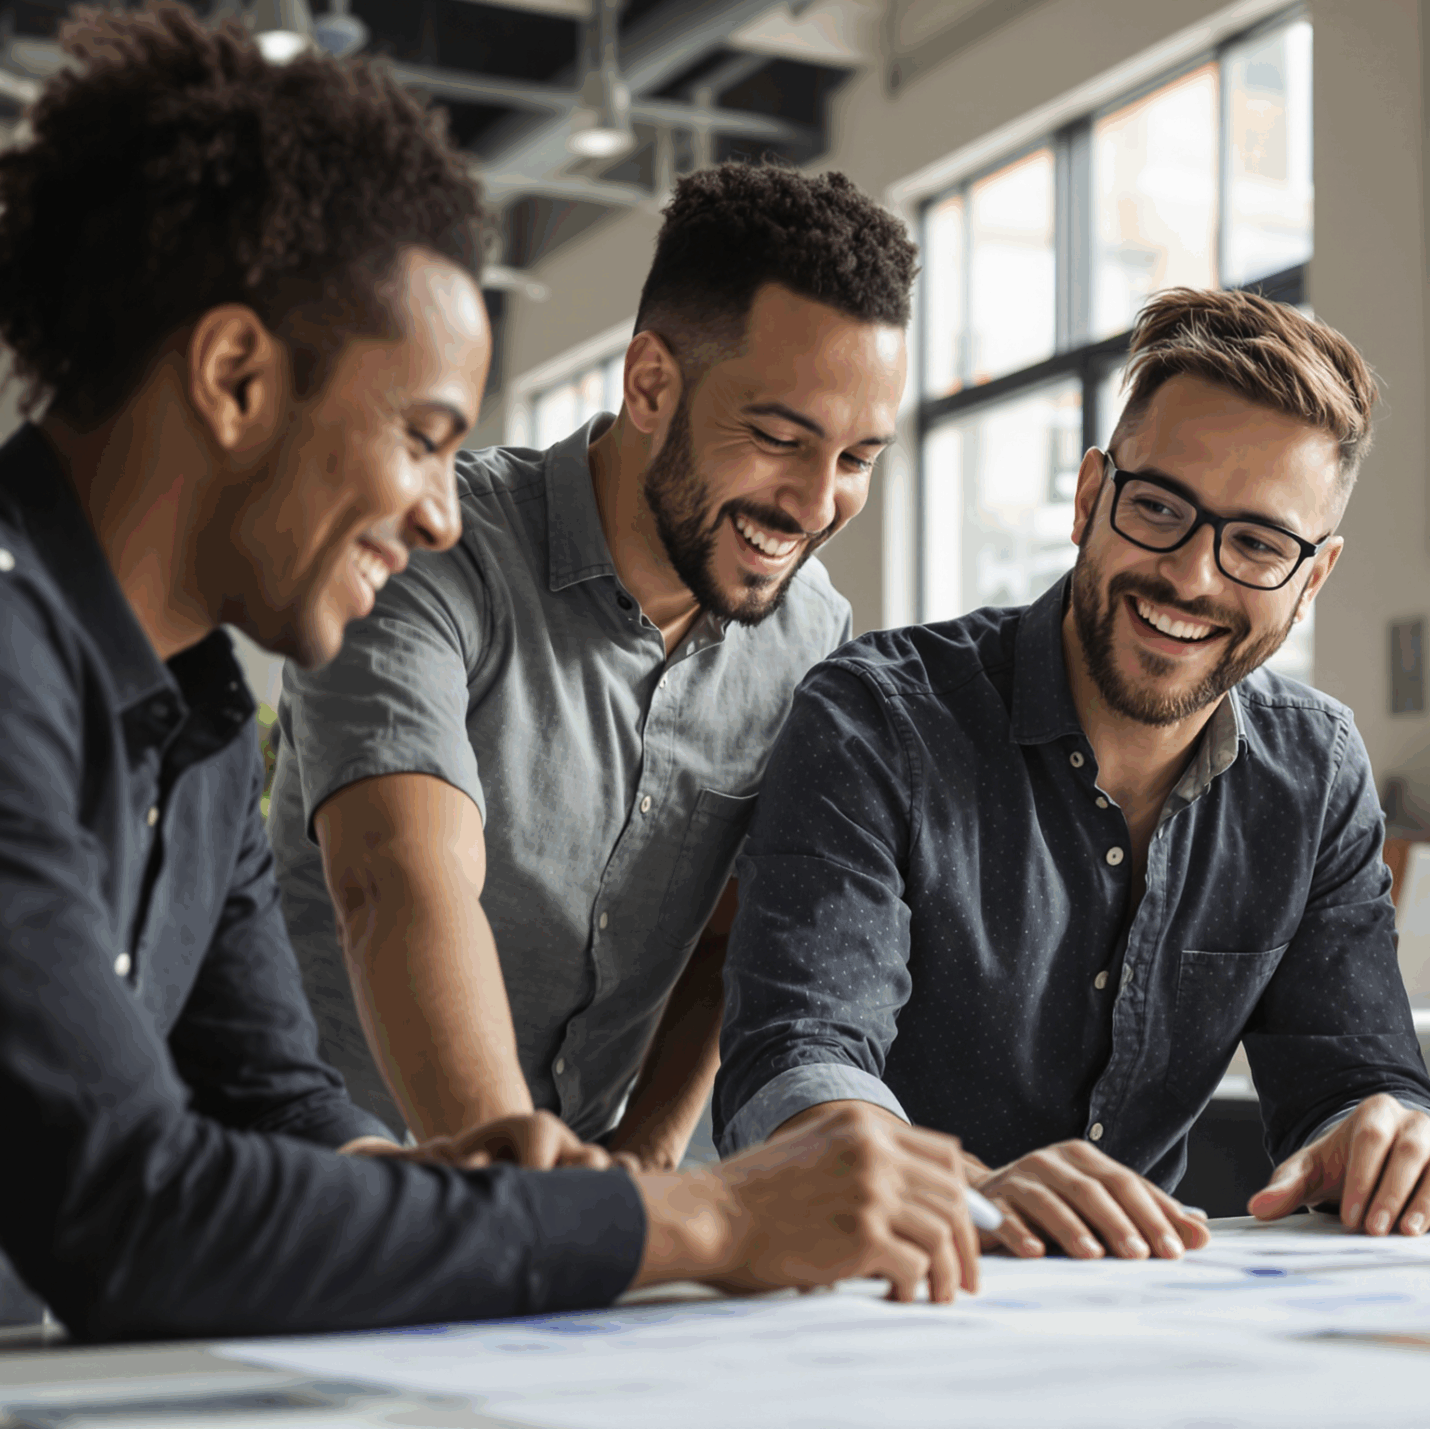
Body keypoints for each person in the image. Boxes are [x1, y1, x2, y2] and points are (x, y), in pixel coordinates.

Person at [0, 3, 983, 1340]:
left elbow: (280, 1113)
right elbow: (138, 1208)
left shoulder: (206, 724)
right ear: (235, 376)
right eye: (419, 436)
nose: (436, 510)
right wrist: (701, 1216)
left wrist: (505, 1186)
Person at [715, 287, 1430, 1260]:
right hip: (880, 1295)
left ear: (1310, 577)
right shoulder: (873, 717)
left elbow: (1354, 1081)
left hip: (1137, 1322)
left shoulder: (1311, 774)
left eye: (1257, 543)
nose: (1189, 575)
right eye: (1157, 508)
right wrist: (970, 1194)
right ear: (1090, 496)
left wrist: (1379, 1133)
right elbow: (793, 1060)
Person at [267, 162, 915, 1168]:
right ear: (651, 381)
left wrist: (646, 1160)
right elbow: (396, 878)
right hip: (322, 1171)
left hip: (573, 1203)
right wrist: (513, 1182)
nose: (813, 501)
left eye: (857, 458)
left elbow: (724, 940)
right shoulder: (427, 550)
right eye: (780, 438)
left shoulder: (807, 638)